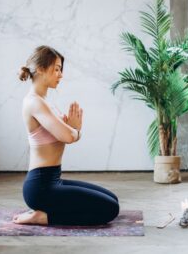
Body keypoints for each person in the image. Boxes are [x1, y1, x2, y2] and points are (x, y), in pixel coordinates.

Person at [12, 45, 120, 226]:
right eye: (56, 69)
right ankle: (44, 217)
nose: (60, 75)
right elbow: (68, 136)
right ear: (40, 69)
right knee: (110, 209)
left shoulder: (44, 102)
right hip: (41, 187)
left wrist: (71, 131)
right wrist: (76, 131)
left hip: (54, 179)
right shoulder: (34, 102)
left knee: (112, 199)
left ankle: (47, 212)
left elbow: (65, 134)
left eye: (60, 70)